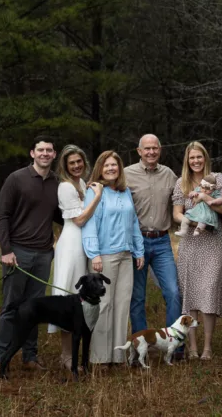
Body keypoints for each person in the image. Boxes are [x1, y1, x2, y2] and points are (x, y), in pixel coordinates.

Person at [0, 135, 61, 374]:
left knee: (34, 308)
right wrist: (6, 250)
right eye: (40, 150)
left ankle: (30, 357)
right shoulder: (16, 179)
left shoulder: (57, 183)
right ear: (32, 153)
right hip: (18, 253)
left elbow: (60, 216)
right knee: (11, 307)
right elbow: (2, 216)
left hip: (44, 254)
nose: (45, 154)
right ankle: (4, 358)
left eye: (49, 150)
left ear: (54, 154)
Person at [81, 150, 145, 364]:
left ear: (119, 168)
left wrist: (139, 250)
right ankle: (100, 357)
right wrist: (94, 254)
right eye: (106, 165)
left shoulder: (125, 191)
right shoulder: (95, 191)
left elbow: (133, 222)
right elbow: (89, 224)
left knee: (122, 304)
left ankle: (118, 356)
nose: (111, 169)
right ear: (100, 168)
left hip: (126, 255)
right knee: (104, 304)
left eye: (114, 165)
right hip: (104, 256)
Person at [172, 141, 222, 360]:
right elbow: (176, 213)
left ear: (205, 158)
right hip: (191, 242)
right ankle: (192, 347)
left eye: (199, 157)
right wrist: (187, 220)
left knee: (209, 289)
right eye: (192, 157)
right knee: (190, 292)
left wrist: (206, 197)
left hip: (212, 241)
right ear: (187, 160)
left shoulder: (217, 179)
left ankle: (207, 346)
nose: (196, 161)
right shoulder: (181, 183)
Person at [124, 134, 182, 350]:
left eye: (154, 148)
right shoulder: (126, 174)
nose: (150, 152)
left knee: (174, 292)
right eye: (146, 149)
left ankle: (174, 345)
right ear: (139, 151)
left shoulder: (169, 175)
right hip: (136, 243)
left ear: (160, 149)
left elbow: (181, 202)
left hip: (161, 242)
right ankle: (142, 345)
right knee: (137, 297)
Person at [47, 144, 103, 370]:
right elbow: (79, 220)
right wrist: (97, 197)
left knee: (82, 298)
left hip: (84, 244)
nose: (77, 165)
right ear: (65, 165)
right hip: (70, 244)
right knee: (67, 293)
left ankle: (82, 352)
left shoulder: (82, 183)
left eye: (79, 161)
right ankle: (66, 356)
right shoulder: (65, 187)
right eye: (72, 163)